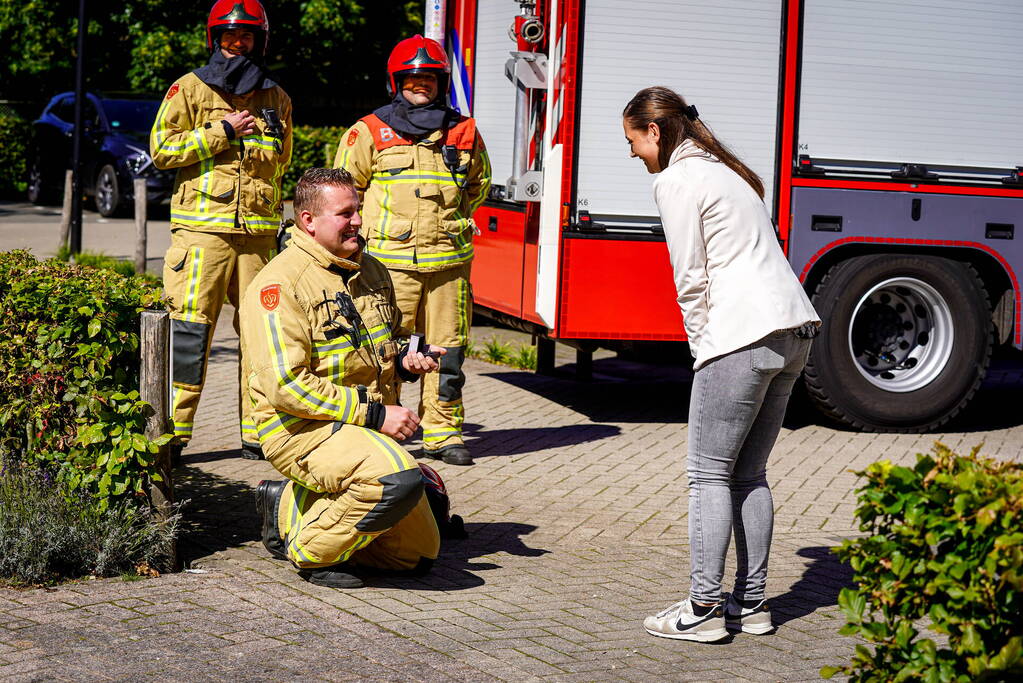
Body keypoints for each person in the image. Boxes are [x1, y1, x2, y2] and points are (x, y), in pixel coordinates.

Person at [622, 86, 820, 642]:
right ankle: (750, 605)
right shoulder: (728, 172)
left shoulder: (677, 179)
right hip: (794, 329)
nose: (632, 152)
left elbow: (691, 276)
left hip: (740, 335)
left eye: (632, 140)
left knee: (708, 474)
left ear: (654, 131)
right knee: (749, 474)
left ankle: (703, 610)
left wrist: (701, 348)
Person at [244, 168, 442, 588]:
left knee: (417, 556)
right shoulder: (278, 284)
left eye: (358, 210)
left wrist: (406, 363)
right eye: (344, 213)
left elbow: (386, 346)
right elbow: (286, 385)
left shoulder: (372, 271)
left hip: (358, 426)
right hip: (301, 429)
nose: (357, 221)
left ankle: (288, 504)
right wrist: (375, 415)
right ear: (308, 221)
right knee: (395, 479)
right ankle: (307, 549)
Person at [334, 34, 491, 466]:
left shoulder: (464, 131)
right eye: (411, 78)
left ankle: (443, 433)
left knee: (448, 351)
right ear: (396, 82)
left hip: (449, 265)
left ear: (442, 84)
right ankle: (385, 429)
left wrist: (451, 222)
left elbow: (479, 185)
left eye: (429, 79)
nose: (421, 85)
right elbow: (344, 192)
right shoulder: (368, 131)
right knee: (385, 351)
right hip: (388, 266)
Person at [151, 0, 292, 461]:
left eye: (246, 36)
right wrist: (223, 131)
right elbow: (162, 149)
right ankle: (172, 435)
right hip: (201, 235)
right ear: (215, 39)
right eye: (229, 36)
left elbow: (281, 162)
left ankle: (259, 432)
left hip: (258, 238)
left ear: (259, 41)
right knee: (189, 334)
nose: (238, 43)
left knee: (261, 335)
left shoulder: (277, 98)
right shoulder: (188, 88)